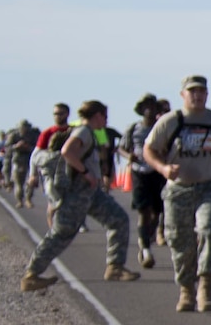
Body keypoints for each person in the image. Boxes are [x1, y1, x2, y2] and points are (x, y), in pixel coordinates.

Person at [144, 75, 211, 313]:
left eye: (201, 91)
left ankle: (206, 286)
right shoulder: (170, 121)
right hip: (179, 189)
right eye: (192, 91)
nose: (197, 96)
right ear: (183, 95)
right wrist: (163, 168)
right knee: (181, 241)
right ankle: (186, 290)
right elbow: (149, 149)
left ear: (207, 94)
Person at [20, 102, 139, 292]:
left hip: (90, 193)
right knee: (61, 233)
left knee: (118, 219)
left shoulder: (87, 132)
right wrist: (85, 172)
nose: (106, 120)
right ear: (97, 115)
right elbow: (68, 152)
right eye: (104, 116)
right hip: (78, 193)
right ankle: (31, 275)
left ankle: (115, 267)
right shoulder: (83, 131)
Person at [125, 96, 168, 268]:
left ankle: (150, 233)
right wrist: (127, 156)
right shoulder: (133, 128)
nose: (149, 110)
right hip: (139, 172)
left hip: (157, 171)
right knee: (143, 211)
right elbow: (122, 147)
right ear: (141, 109)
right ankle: (145, 249)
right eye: (146, 106)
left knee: (157, 211)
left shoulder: (161, 127)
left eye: (152, 106)